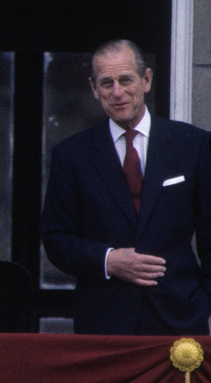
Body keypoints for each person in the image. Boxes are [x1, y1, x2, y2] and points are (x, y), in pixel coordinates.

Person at [41, 39, 211, 335]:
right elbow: (56, 238)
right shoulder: (72, 155)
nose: (117, 92)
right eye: (107, 83)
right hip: (104, 322)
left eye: (126, 80)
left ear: (146, 80)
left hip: (182, 316)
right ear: (94, 89)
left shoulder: (192, 145)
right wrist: (109, 260)